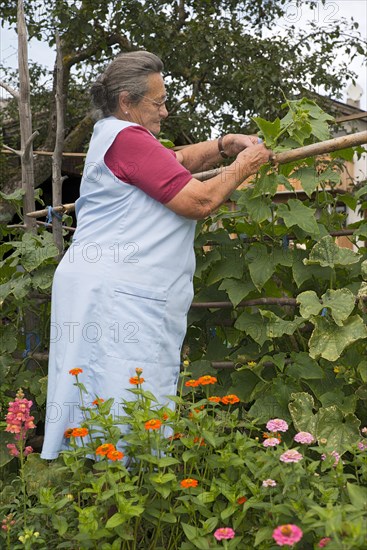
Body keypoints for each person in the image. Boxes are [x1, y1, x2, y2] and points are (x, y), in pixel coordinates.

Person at [41, 51, 272, 460]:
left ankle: (95, 492)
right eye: (158, 102)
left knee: (95, 392)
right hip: (115, 293)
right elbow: (199, 201)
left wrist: (221, 145)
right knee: (120, 395)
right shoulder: (127, 139)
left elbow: (176, 160)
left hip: (100, 283)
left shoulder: (112, 135)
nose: (165, 111)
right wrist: (244, 164)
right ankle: (115, 496)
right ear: (127, 101)